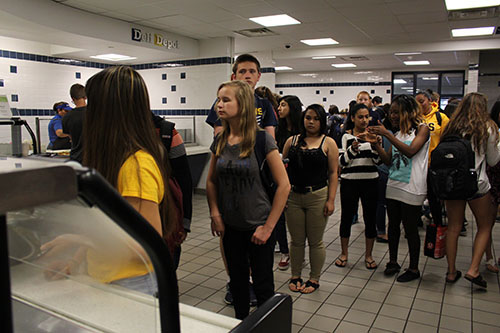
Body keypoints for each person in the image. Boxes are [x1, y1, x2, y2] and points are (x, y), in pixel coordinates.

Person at [42, 66, 177, 295]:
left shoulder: (136, 165)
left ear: (108, 110)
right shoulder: (114, 160)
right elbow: (110, 226)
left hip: (132, 283)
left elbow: (146, 246)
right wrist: (73, 263)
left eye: (93, 103)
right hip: (105, 277)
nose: (87, 111)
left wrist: (79, 239)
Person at [206, 80, 290, 319]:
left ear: (242, 104)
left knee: (263, 287)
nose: (219, 105)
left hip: (259, 226)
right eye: (218, 99)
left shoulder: (262, 140)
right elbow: (211, 181)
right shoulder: (220, 140)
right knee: (239, 284)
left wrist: (268, 227)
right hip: (231, 226)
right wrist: (215, 214)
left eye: (225, 100)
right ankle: (242, 324)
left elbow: (284, 185)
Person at [369, 94, 430, 283]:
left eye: (396, 112)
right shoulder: (398, 133)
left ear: (408, 111)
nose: (393, 116)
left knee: (410, 228)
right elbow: (388, 161)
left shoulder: (422, 129)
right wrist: (377, 146)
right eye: (391, 112)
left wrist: (386, 134)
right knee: (393, 226)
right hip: (394, 184)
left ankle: (413, 268)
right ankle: (393, 261)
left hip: (412, 187)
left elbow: (411, 152)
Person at [441, 93, 500, 288]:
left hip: (453, 182)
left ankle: (451, 272)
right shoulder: (488, 128)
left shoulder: (451, 126)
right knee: (484, 226)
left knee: (454, 227)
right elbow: (492, 161)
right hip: (478, 184)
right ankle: (473, 269)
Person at [283, 104, 339, 294]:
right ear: (303, 119)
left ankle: (314, 278)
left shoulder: (328, 142)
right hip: (293, 196)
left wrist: (331, 200)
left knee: (316, 241)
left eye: (316, 118)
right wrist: (282, 197)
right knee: (296, 241)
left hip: (318, 196)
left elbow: (333, 173)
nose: (311, 122)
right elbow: (283, 172)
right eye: (308, 117)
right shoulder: (291, 141)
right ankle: (295, 275)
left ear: (322, 121)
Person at [336, 103, 390, 269]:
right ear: (352, 118)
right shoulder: (346, 136)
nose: (364, 120)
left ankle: (369, 255)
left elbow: (378, 161)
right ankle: (344, 253)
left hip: (370, 180)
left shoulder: (374, 136)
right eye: (360, 117)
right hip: (349, 181)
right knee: (346, 217)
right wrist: (353, 148)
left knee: (370, 218)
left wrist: (376, 145)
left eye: (367, 117)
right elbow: (343, 162)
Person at [206, 54, 277, 137]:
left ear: (258, 76)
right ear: (234, 77)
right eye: (242, 71)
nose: (247, 76)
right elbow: (219, 137)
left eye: (252, 71)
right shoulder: (222, 103)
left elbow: (270, 138)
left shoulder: (265, 104)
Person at [274, 95, 302, 270]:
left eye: (283, 105)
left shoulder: (303, 131)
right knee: (278, 217)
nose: (279, 108)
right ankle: (284, 251)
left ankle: (298, 252)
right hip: (279, 179)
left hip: (298, 179)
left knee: (296, 220)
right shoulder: (278, 130)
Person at [415, 91, 449, 230]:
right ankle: (415, 221)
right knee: (416, 196)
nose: (420, 105)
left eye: (422, 101)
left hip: (433, 165)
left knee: (434, 198)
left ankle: (437, 224)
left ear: (429, 101)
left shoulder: (441, 118)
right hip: (417, 164)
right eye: (417, 103)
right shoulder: (414, 118)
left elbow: (447, 142)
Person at [62, 83, 87, 162]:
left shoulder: (67, 116)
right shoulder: (95, 113)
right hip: (92, 157)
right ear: (85, 97)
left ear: (73, 98)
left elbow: (71, 138)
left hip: (75, 158)